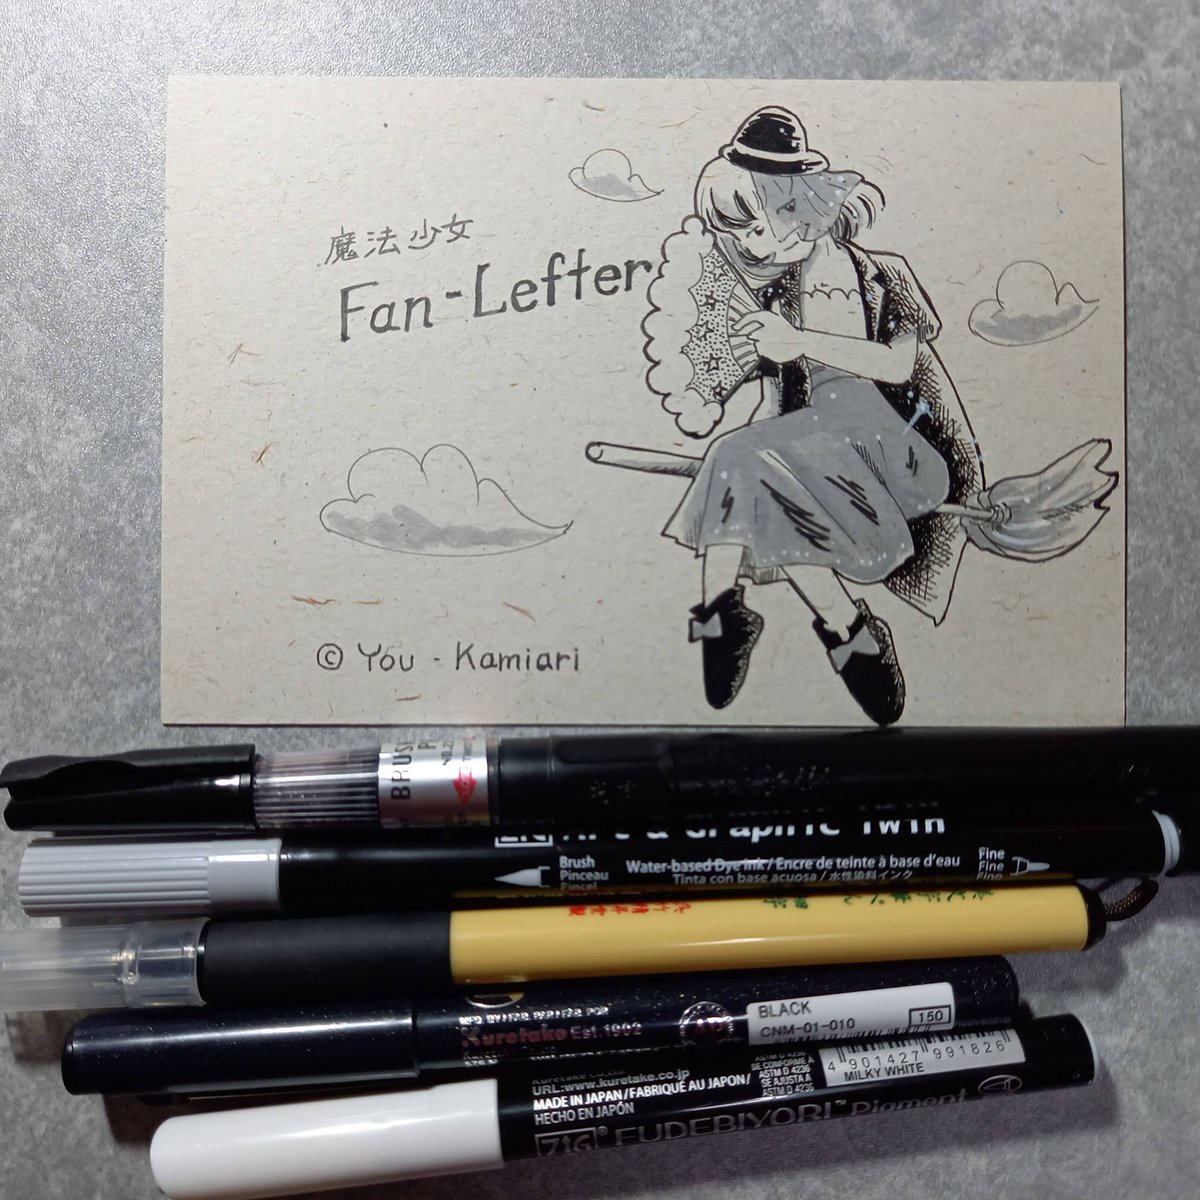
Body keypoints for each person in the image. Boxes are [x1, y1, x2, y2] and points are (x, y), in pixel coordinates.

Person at [665, 106, 983, 725]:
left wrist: (799, 343)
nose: (747, 246)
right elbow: (773, 405)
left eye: (754, 228)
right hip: (813, 444)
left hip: (887, 447)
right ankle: (843, 636)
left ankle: (724, 621)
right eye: (735, 233)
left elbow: (896, 367)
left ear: (800, 208)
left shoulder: (883, 274)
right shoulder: (777, 293)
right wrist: (734, 457)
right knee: (757, 483)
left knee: (746, 464)